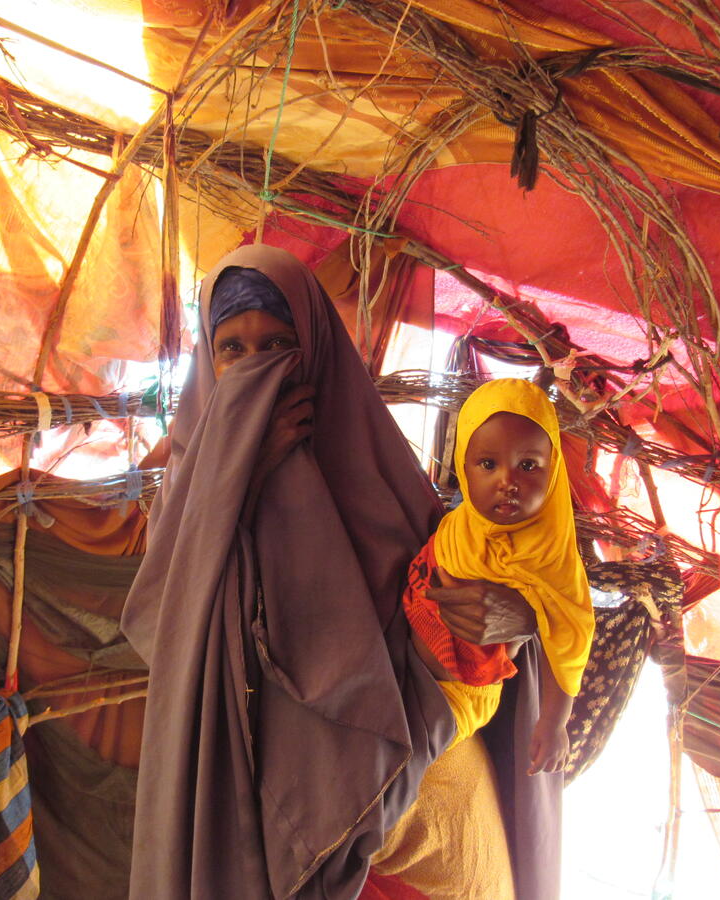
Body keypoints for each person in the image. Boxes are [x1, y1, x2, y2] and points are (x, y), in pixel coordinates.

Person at [121, 244, 562, 899]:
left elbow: (478, 650)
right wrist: (238, 488)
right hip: (264, 834)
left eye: (277, 344)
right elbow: (175, 641)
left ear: (316, 350)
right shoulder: (184, 509)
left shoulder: (380, 482)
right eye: (233, 350)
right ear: (208, 365)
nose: (255, 369)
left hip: (420, 840)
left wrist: (499, 622)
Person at [403, 379, 594, 774]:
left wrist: (554, 723)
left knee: (394, 767)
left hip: (459, 697)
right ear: (463, 466)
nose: (507, 481)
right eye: (488, 464)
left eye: (528, 466)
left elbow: (571, 639)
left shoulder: (549, 555)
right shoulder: (460, 523)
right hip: (403, 658)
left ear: (553, 469)